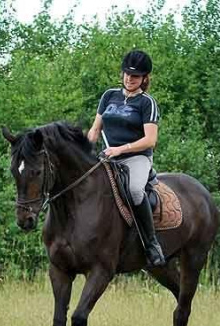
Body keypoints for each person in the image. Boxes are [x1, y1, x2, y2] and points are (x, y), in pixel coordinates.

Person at [87, 50, 165, 267]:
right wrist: (86, 147)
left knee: (134, 191)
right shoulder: (108, 96)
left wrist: (121, 149)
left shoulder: (146, 102)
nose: (130, 79)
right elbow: (95, 129)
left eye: (136, 76)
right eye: (127, 74)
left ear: (144, 78)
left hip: (135, 159)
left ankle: (151, 244)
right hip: (107, 157)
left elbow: (150, 140)